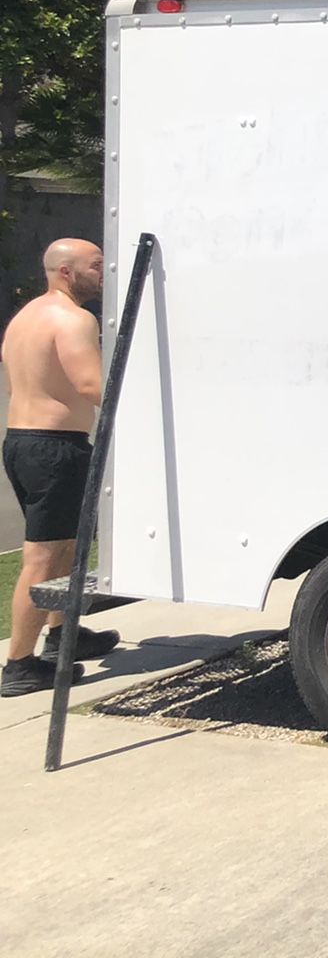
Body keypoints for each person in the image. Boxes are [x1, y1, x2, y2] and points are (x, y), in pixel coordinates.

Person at [2, 239, 119, 697]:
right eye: (96, 266)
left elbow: (14, 385)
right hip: (53, 449)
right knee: (44, 556)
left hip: (24, 443)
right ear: (66, 272)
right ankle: (19, 665)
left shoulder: (24, 317)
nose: (103, 272)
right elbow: (92, 385)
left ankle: (62, 636)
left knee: (67, 546)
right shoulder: (75, 319)